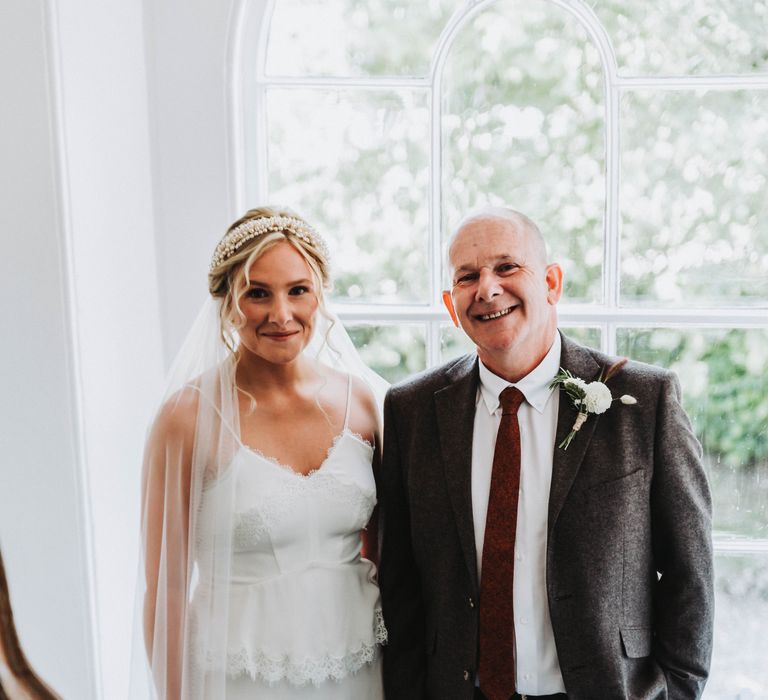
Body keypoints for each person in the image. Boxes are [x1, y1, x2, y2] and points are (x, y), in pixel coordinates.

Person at [379, 207, 714, 700]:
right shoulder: (411, 411)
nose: (487, 289)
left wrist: (678, 692)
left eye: (507, 267)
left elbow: (691, 575)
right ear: (452, 306)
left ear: (552, 283)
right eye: (468, 277)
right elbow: (401, 584)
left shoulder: (645, 401)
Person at [132, 207, 388, 699]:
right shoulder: (185, 419)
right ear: (228, 301)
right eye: (258, 293)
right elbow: (164, 592)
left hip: (359, 669)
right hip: (238, 678)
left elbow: (384, 555)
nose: (281, 315)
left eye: (298, 290)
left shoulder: (362, 402)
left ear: (320, 294)